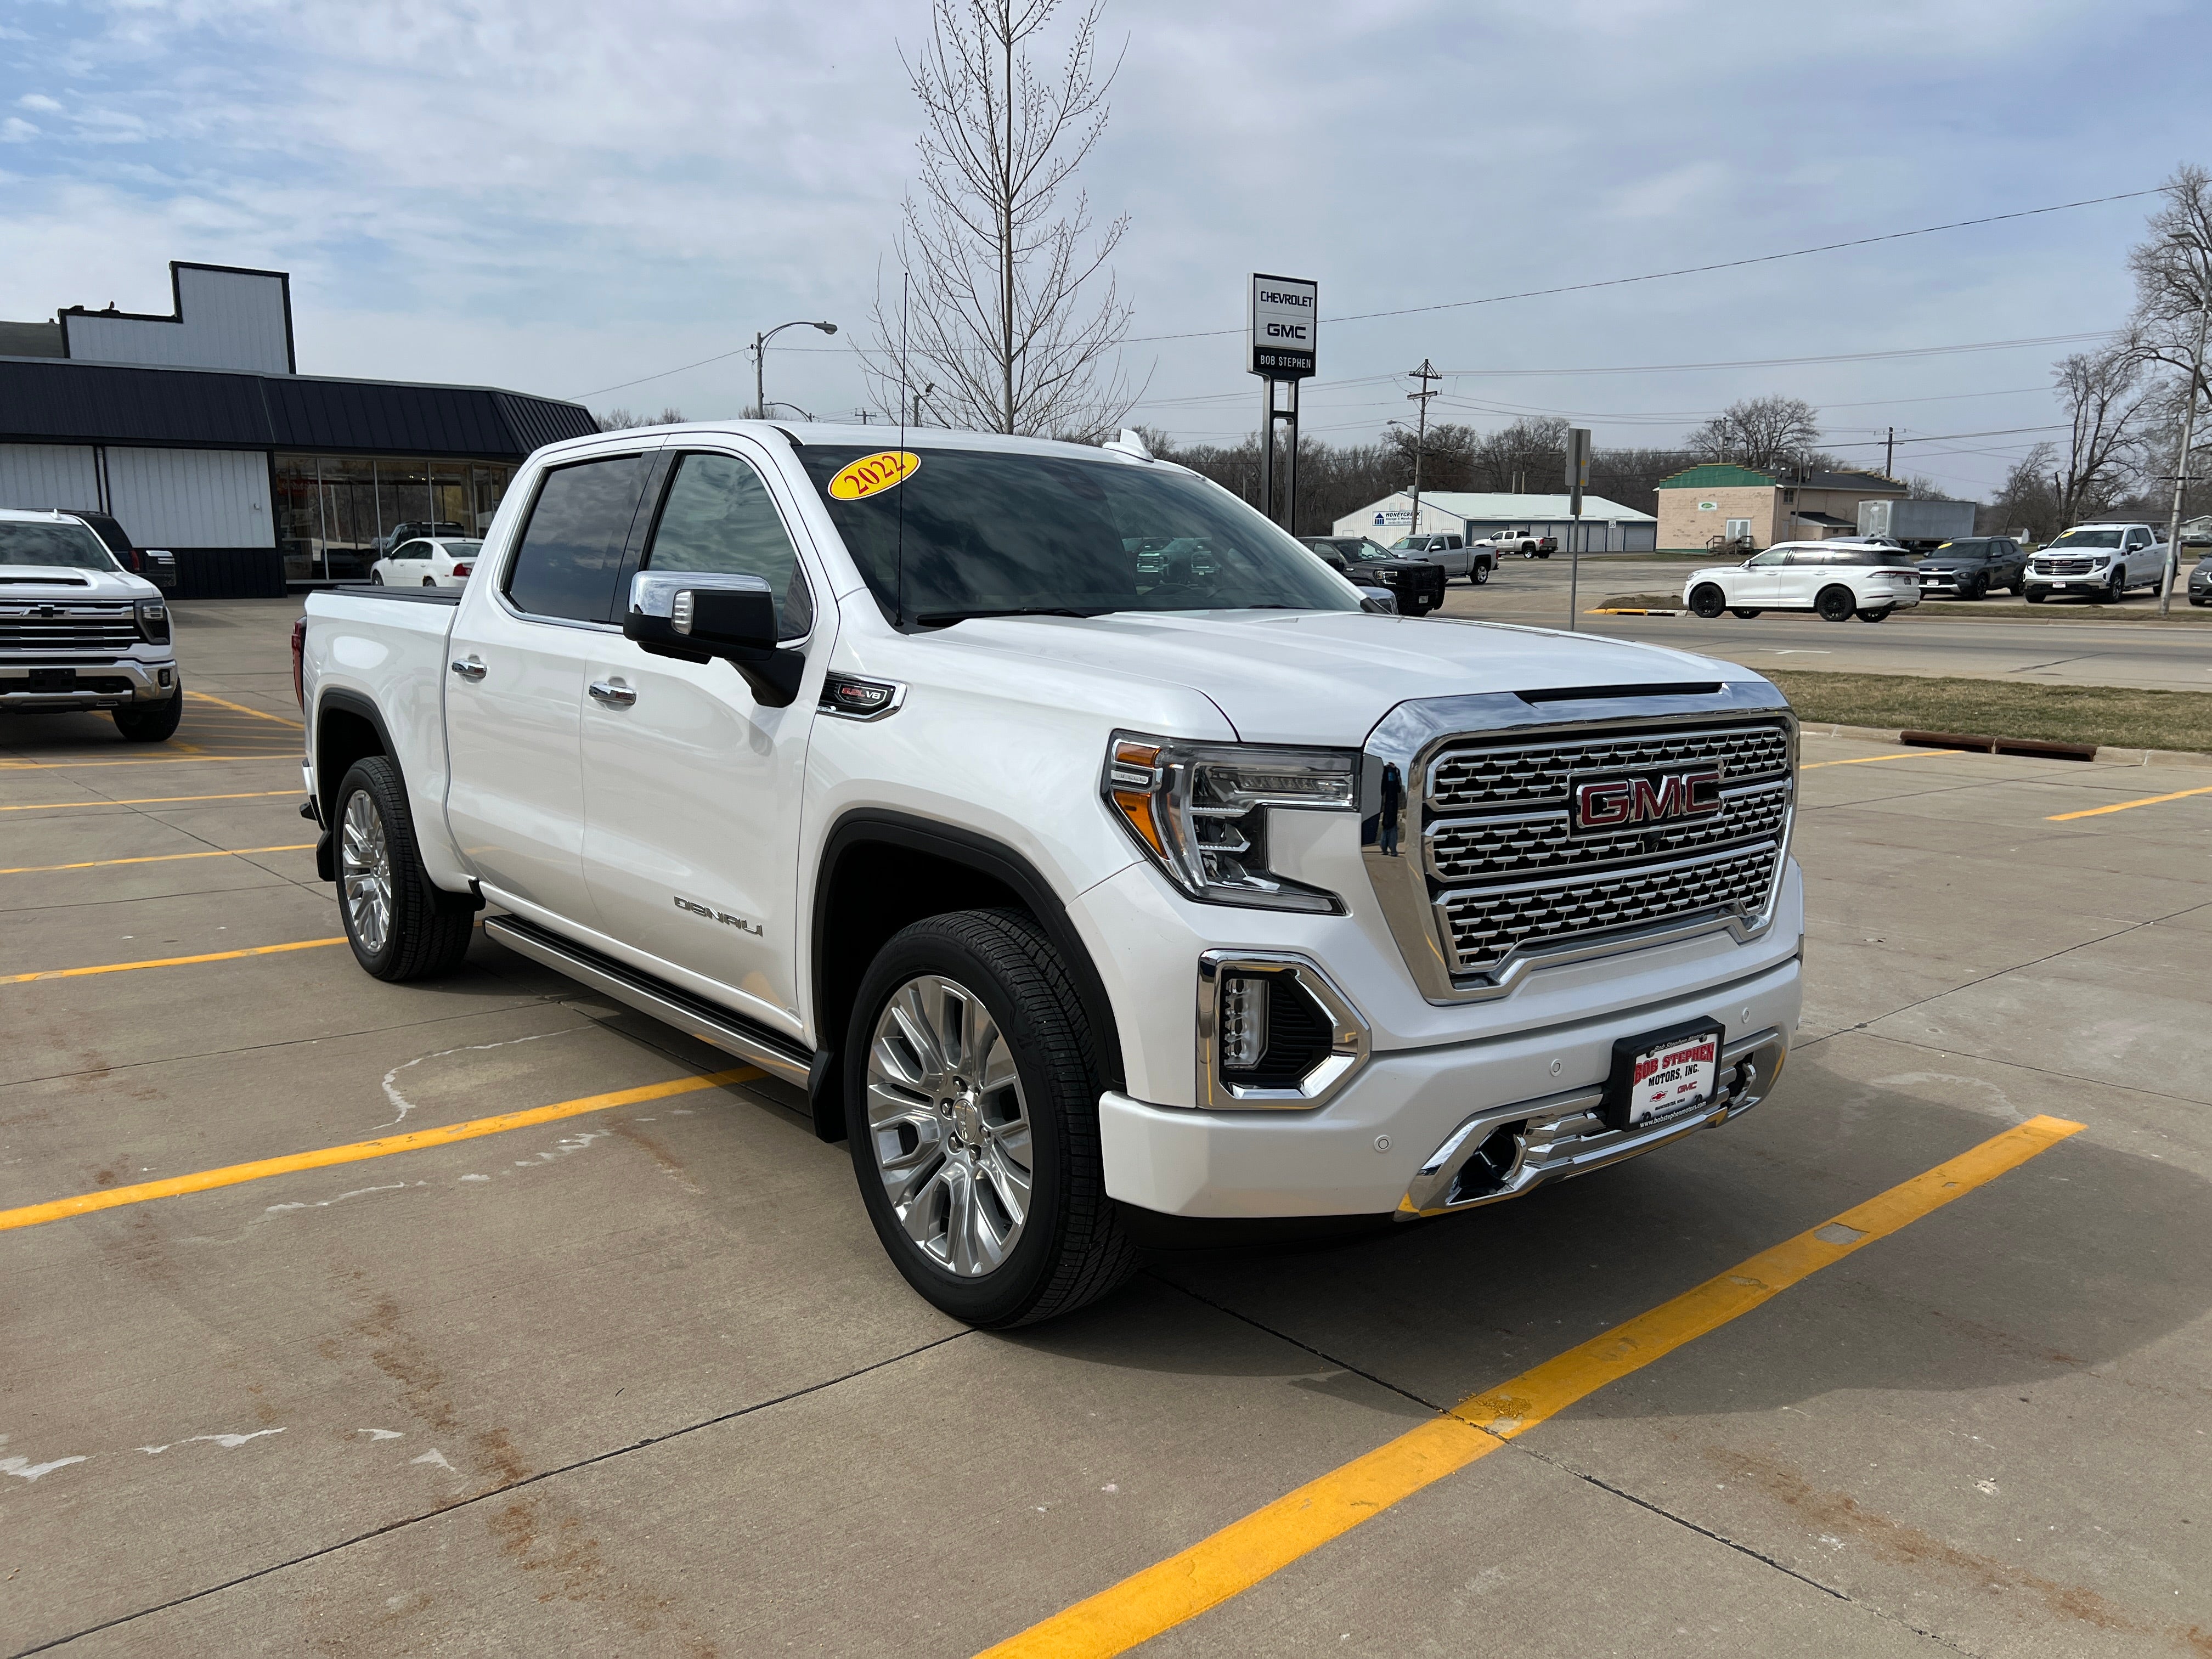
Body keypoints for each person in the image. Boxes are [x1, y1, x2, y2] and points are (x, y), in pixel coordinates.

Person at [1378, 763, 1403, 856]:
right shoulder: (1395, 771)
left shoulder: (1383, 771)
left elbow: (1382, 788)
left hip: (1386, 801)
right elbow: (1399, 787)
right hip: (1393, 801)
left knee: (1386, 826)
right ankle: (1393, 850)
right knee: (1392, 827)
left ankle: (1384, 849)